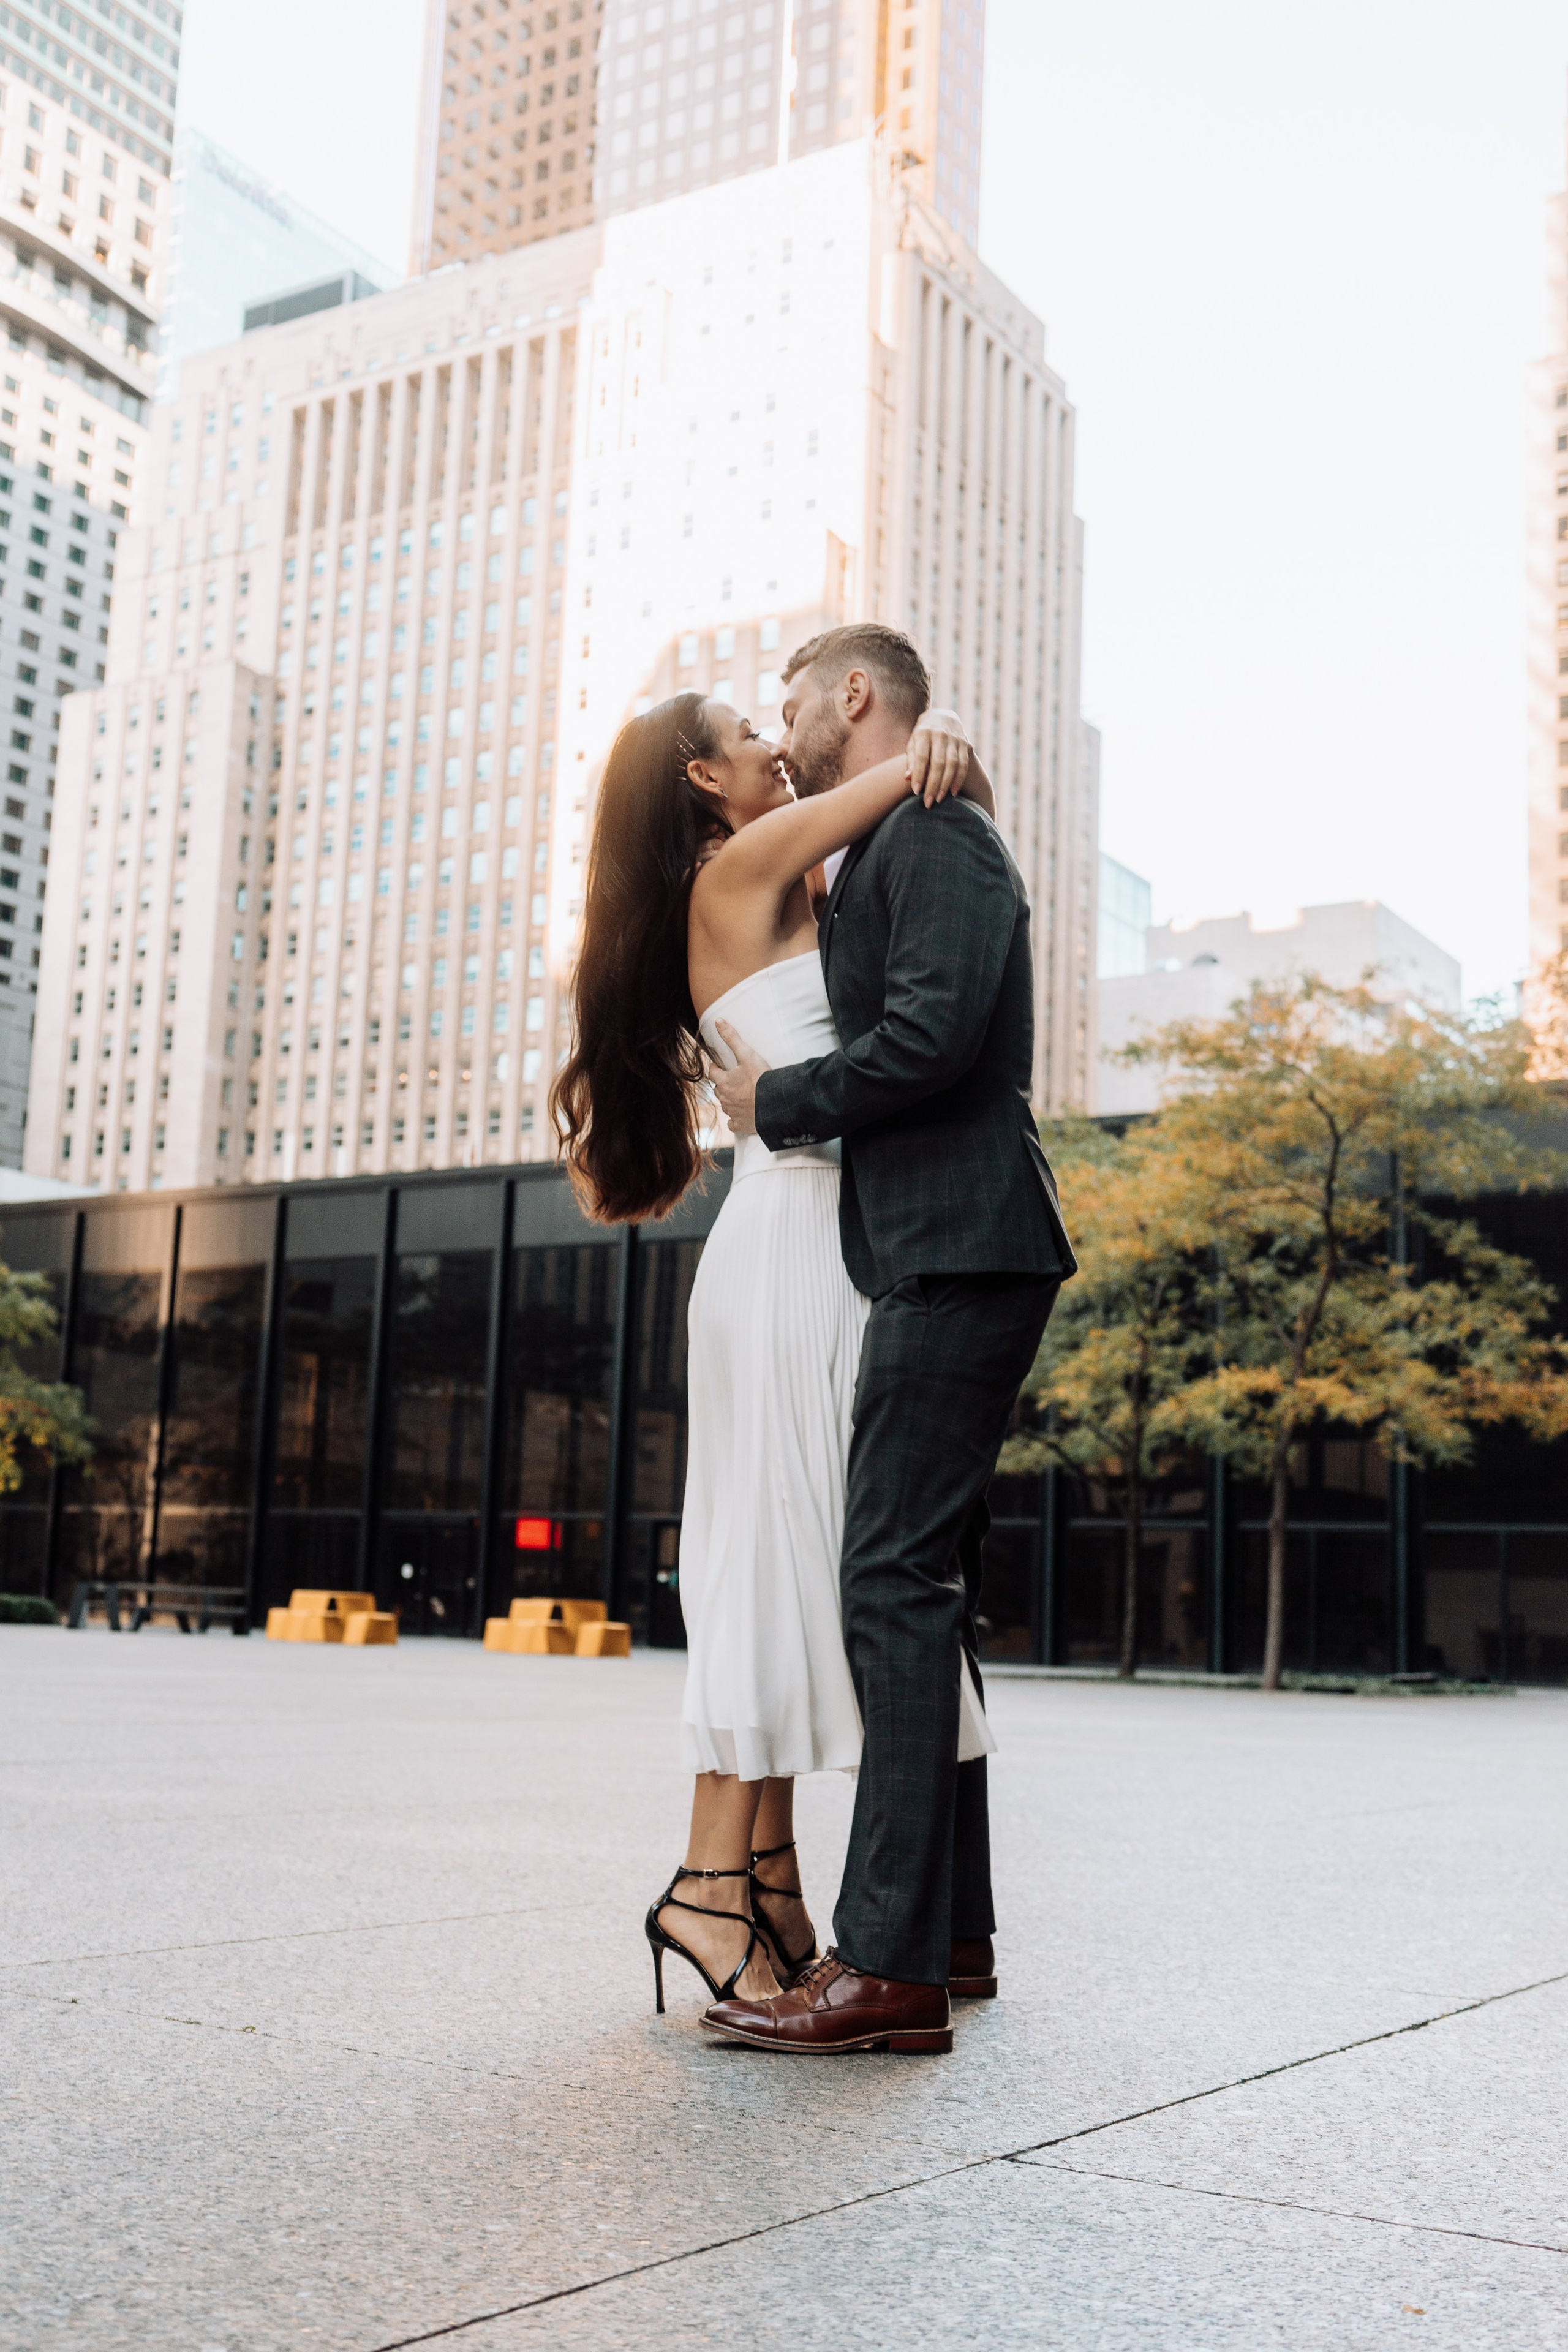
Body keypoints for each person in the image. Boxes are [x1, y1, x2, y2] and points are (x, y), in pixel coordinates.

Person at [551, 663, 990, 2020]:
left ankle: (764, 1880)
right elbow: (909, 781)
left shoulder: (761, 884)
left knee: (797, 1557)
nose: (771, 755)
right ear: (704, 783)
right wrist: (946, 747)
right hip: (793, 1244)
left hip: (809, 1242)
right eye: (749, 740)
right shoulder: (738, 867)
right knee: (777, 1557)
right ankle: (708, 1885)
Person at [704, 621, 1076, 2057]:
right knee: (925, 1583)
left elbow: (924, 1043)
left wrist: (777, 1104)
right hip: (937, 1244)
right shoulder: (891, 838)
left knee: (889, 1578)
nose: (782, 728)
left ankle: (887, 1971)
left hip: (961, 1245)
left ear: (851, 694)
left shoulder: (935, 842)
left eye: (793, 702)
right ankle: (952, 1937)